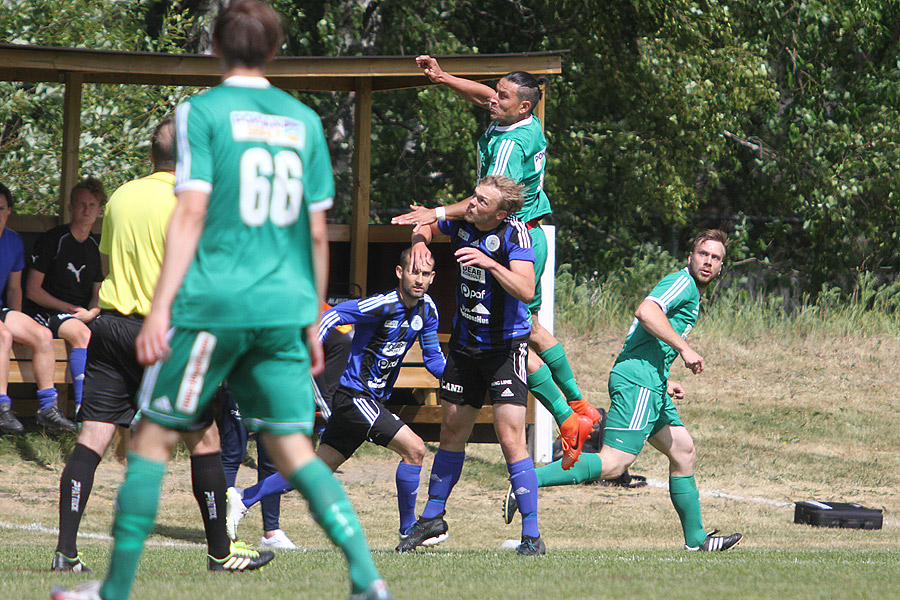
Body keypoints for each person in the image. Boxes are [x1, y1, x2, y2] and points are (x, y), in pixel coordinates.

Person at [51, 2, 390, 599]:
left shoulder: (201, 114)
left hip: (218, 307)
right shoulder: (304, 121)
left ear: (214, 48)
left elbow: (191, 214)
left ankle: (112, 590)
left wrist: (158, 312)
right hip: (283, 308)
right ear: (277, 51)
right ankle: (367, 578)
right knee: (293, 448)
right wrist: (313, 319)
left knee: (153, 440)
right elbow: (316, 231)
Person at [51, 117, 269, 576]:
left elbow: (111, 266)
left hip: (110, 330)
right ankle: (220, 553)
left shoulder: (122, 198)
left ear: (151, 155)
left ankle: (65, 552)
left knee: (92, 437)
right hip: (172, 335)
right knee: (204, 439)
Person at [392, 55, 596, 469]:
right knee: (531, 328)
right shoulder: (526, 120)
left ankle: (568, 415)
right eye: (497, 91)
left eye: (503, 96)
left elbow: (486, 201)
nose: (492, 99)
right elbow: (485, 94)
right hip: (529, 233)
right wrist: (444, 77)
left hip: (508, 240)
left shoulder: (507, 145)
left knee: (516, 335)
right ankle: (578, 406)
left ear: (522, 105)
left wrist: (438, 213)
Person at [503, 230, 742, 552]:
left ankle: (697, 540)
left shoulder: (691, 292)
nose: (708, 262)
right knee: (614, 463)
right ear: (691, 256)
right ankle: (527, 482)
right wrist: (685, 349)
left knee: (683, 452)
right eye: (703, 254)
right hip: (639, 382)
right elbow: (646, 312)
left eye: (715, 259)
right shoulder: (682, 283)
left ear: (720, 267)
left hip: (651, 382)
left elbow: (647, 338)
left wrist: (664, 377)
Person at [226, 248, 446, 547]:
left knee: (312, 471)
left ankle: (244, 497)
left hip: (369, 401)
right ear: (400, 272)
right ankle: (408, 530)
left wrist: (458, 377)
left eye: (425, 274)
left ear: (432, 278)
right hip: (355, 396)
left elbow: (434, 360)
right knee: (415, 448)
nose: (418, 279)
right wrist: (311, 352)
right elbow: (334, 315)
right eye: (413, 272)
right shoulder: (383, 304)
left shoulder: (428, 310)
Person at [396, 175, 545, 556]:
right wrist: (419, 244)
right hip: (464, 347)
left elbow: (526, 290)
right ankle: (433, 518)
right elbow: (427, 222)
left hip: (504, 348)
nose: (471, 204)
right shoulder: (462, 220)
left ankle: (532, 535)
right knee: (451, 431)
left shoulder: (516, 236)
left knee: (510, 438)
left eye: (481, 202)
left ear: (501, 213)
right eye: (474, 196)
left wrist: (489, 264)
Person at [0, 183, 75, 433]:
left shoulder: (13, 240)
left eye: (0, 208)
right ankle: (2, 408)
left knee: (42, 335)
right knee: (3, 335)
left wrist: (19, 322)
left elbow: (14, 289)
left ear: (9, 210)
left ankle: (47, 407)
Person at [25, 177, 105, 412]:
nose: (86, 210)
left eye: (92, 205)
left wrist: (93, 311)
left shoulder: (95, 245)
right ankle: (83, 412)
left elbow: (98, 292)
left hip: (80, 313)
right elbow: (32, 290)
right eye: (81, 204)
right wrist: (70, 310)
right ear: (70, 208)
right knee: (81, 333)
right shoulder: (54, 239)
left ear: (99, 210)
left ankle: (117, 407)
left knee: (111, 332)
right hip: (47, 310)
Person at [218, 384, 296, 549]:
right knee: (232, 455)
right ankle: (218, 532)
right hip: (240, 384)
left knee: (270, 461)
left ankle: (271, 533)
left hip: (274, 388)